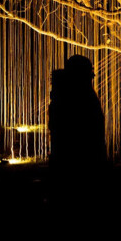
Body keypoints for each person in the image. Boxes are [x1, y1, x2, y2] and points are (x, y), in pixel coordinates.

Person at [47, 54, 107, 214]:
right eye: (89, 71)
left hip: (68, 164)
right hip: (80, 166)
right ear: (80, 74)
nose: (93, 75)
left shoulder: (68, 97)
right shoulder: (80, 98)